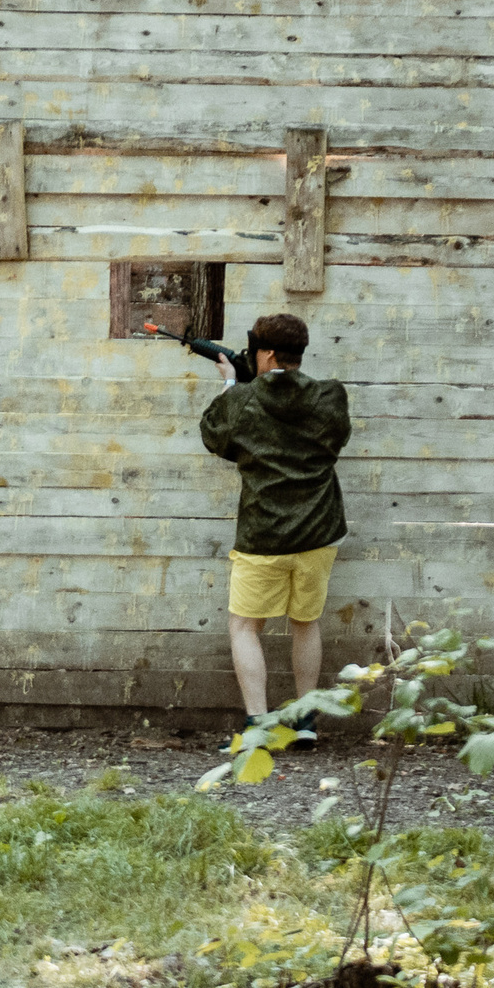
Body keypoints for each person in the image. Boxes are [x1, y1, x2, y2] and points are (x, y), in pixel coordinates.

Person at [199, 312, 350, 750]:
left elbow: (215, 437)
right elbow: (333, 439)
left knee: (245, 626)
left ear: (264, 354)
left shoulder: (242, 400)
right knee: (306, 621)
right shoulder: (330, 397)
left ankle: (259, 726)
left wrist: (231, 384)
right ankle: (305, 720)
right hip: (319, 531)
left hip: (263, 535)